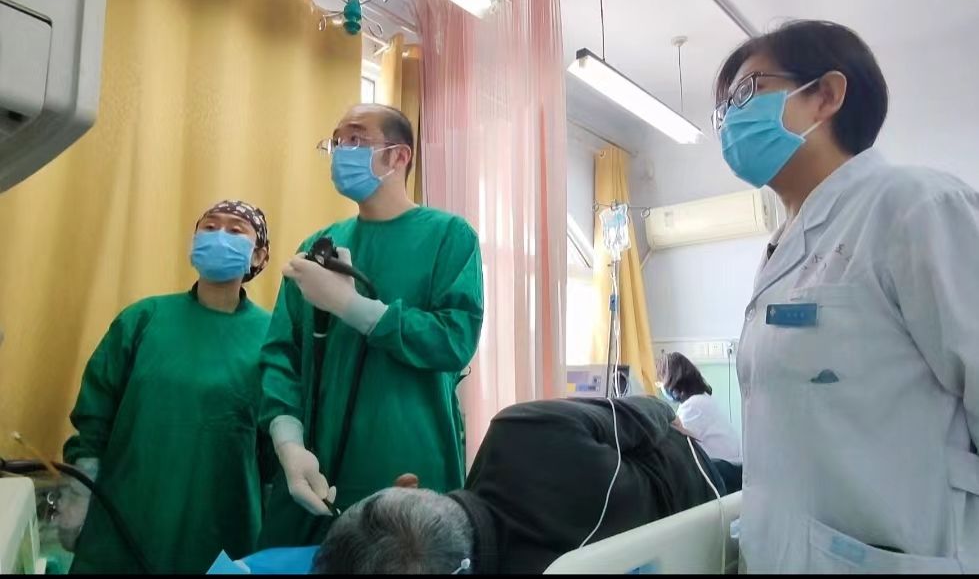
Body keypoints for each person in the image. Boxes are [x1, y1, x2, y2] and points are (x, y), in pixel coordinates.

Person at [713, 19, 979, 573]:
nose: (731, 120)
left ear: (826, 95)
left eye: (746, 92)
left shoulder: (915, 207)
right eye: (724, 110)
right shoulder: (781, 249)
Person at [258, 104, 484, 548]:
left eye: (357, 139)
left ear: (399, 156)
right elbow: (281, 356)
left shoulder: (449, 236)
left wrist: (352, 306)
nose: (342, 150)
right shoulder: (317, 247)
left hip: (406, 458)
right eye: (337, 141)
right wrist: (288, 445)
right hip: (316, 471)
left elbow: (454, 339)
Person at [58, 200, 274, 573]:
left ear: (259, 256)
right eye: (209, 227)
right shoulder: (144, 319)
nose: (219, 236)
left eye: (236, 230)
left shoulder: (270, 336)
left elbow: (275, 448)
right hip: (125, 516)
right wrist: (79, 492)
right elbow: (96, 414)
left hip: (219, 525)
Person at [313, 396, 725, 574]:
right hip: (705, 479)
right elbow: (648, 411)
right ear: (408, 484)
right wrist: (668, 414)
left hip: (707, 547)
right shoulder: (519, 432)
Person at [658, 352, 742, 493]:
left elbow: (678, 444)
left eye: (660, 383)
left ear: (672, 382)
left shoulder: (694, 406)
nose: (661, 388)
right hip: (731, 469)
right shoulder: (701, 400)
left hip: (726, 472)